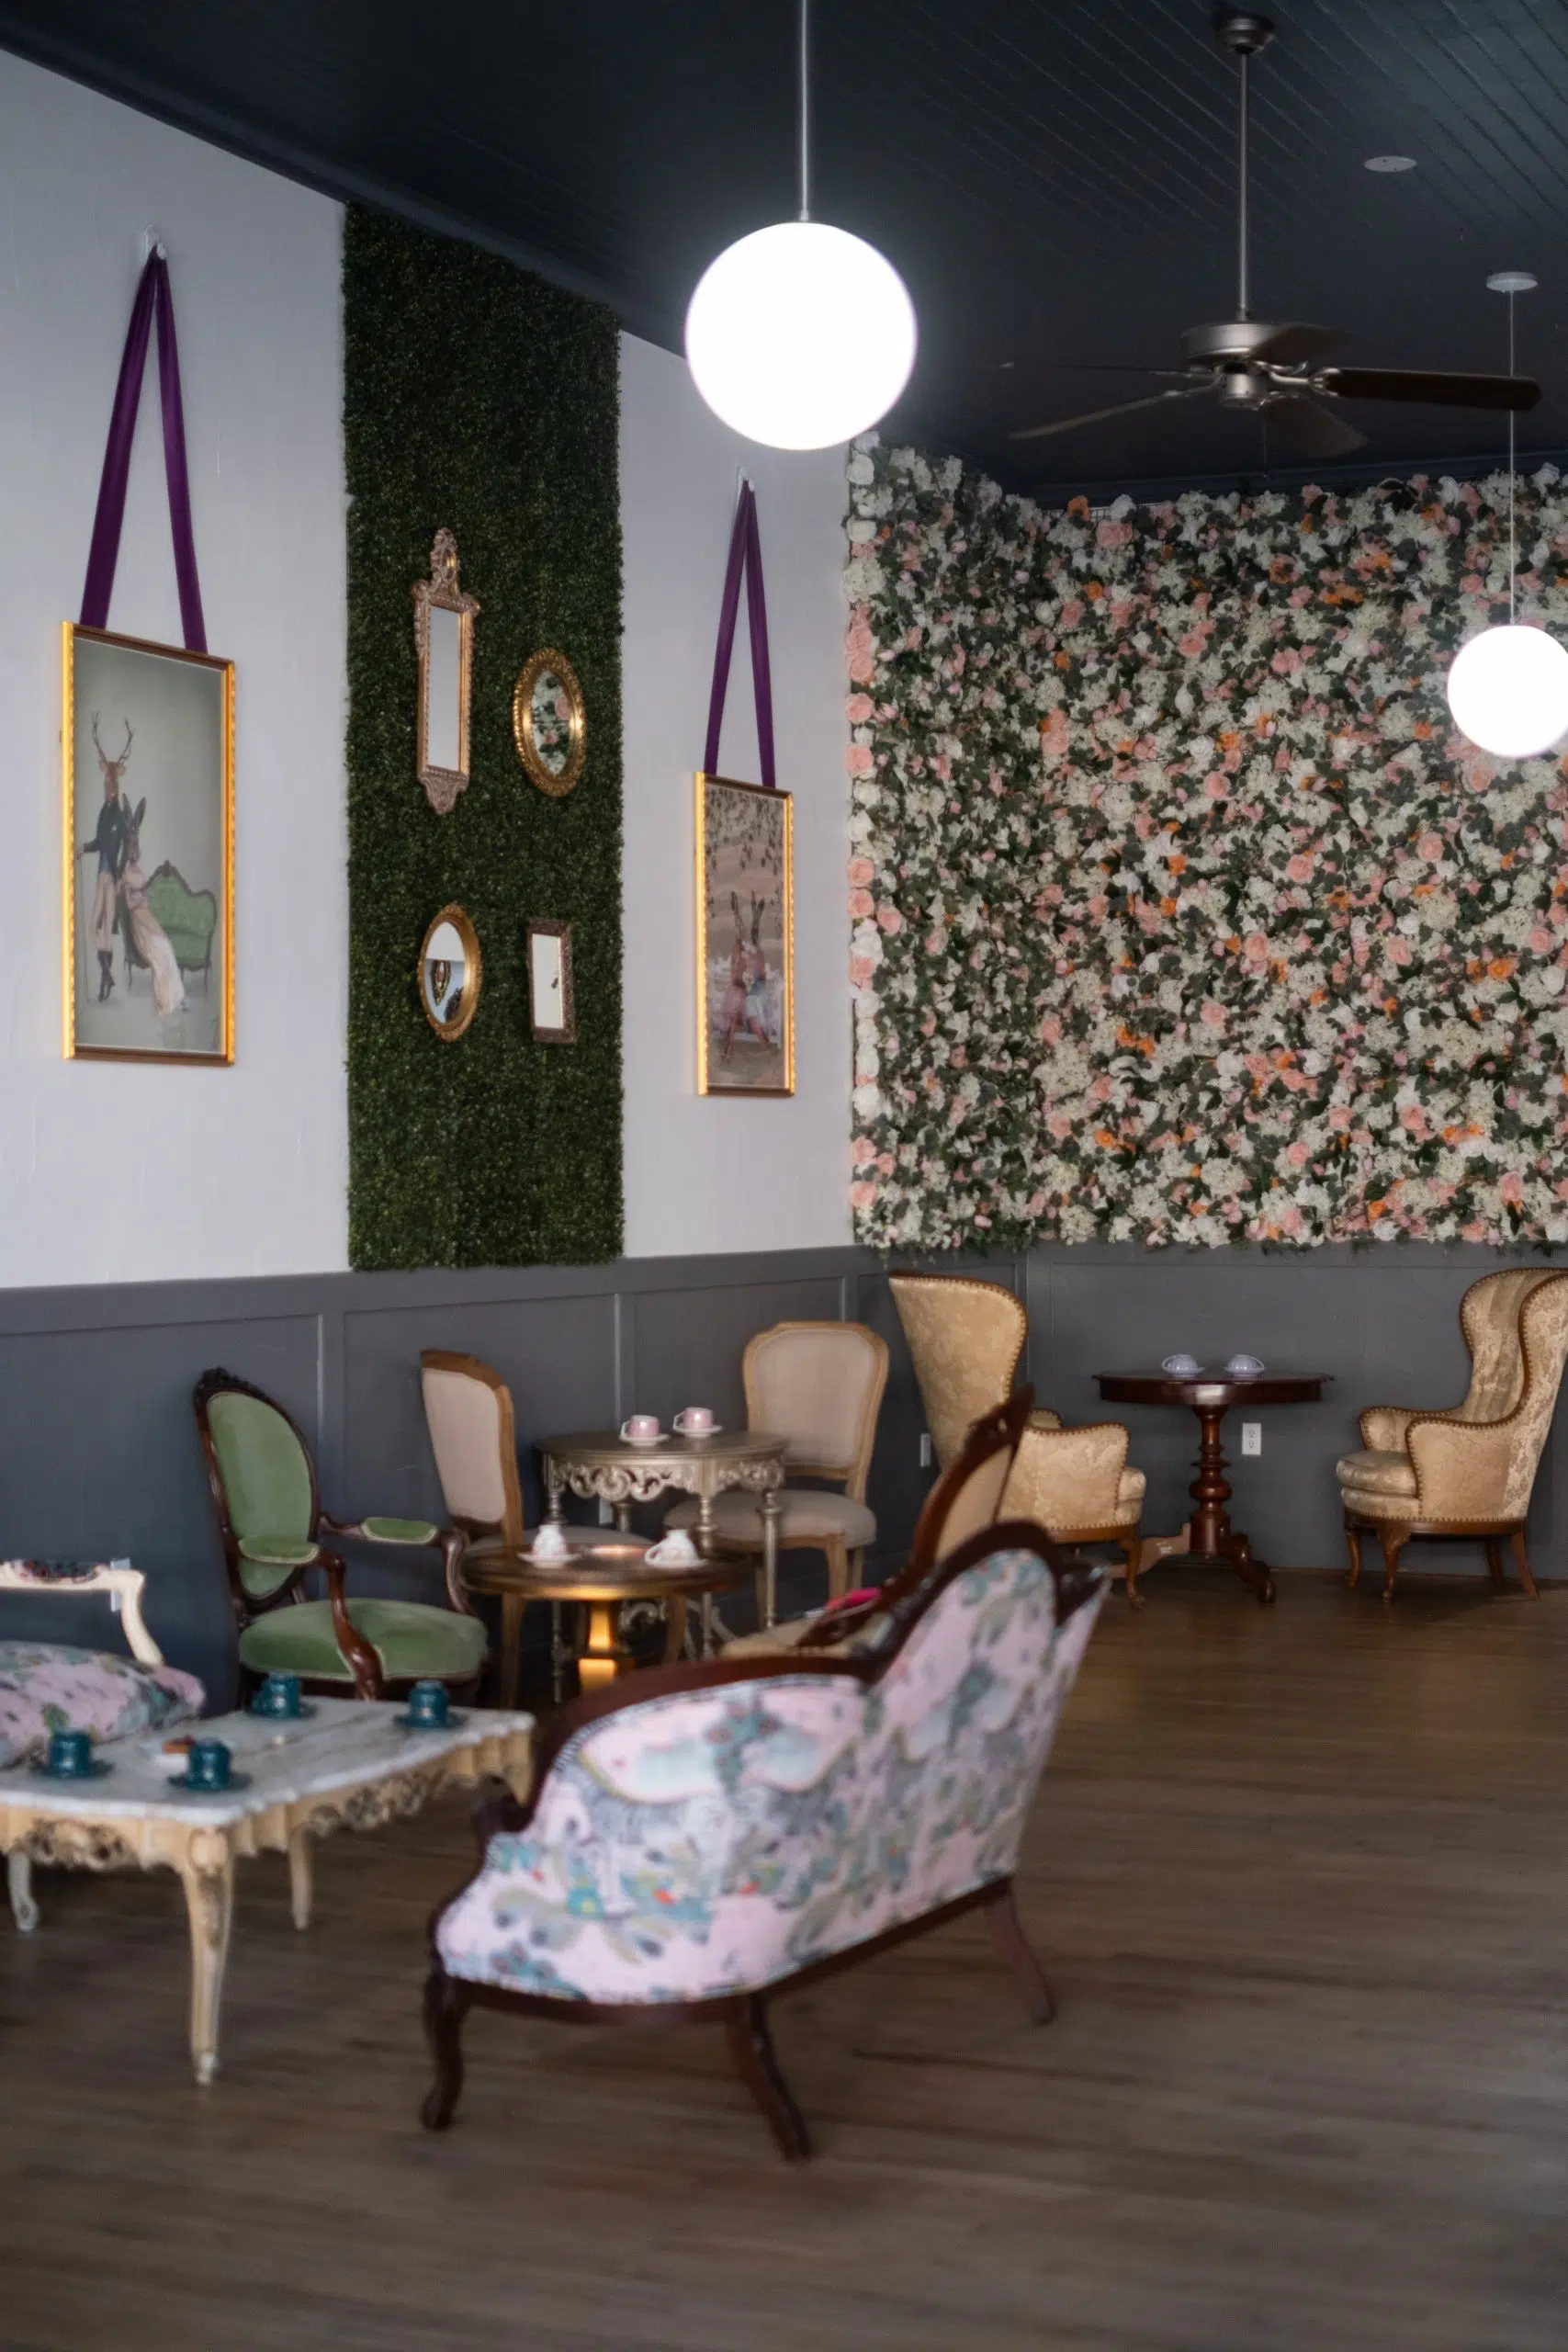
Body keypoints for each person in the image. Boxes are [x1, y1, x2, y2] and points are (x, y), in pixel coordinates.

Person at [81, 715, 131, 1002]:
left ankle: (105, 984)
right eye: (106, 781)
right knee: (94, 928)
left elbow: (123, 847)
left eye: (112, 782)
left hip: (110, 877)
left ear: (117, 781)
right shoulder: (104, 811)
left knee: (106, 932)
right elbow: (99, 841)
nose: (109, 786)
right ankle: (108, 975)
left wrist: (120, 875)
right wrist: (82, 849)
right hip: (101, 875)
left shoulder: (119, 816)